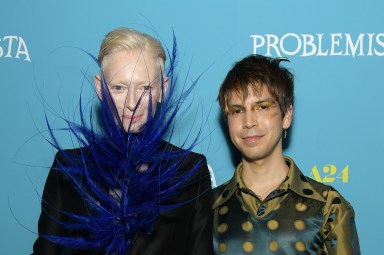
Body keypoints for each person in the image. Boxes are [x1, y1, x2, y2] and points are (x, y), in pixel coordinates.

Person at [32, 28, 214, 255]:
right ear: (100, 87)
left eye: (145, 87)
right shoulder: (69, 168)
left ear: (162, 89)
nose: (132, 102)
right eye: (119, 87)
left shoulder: (189, 172)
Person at [212, 54, 360, 254]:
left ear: (287, 115)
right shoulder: (206, 208)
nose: (248, 122)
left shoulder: (328, 207)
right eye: (237, 111)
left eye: (262, 107)